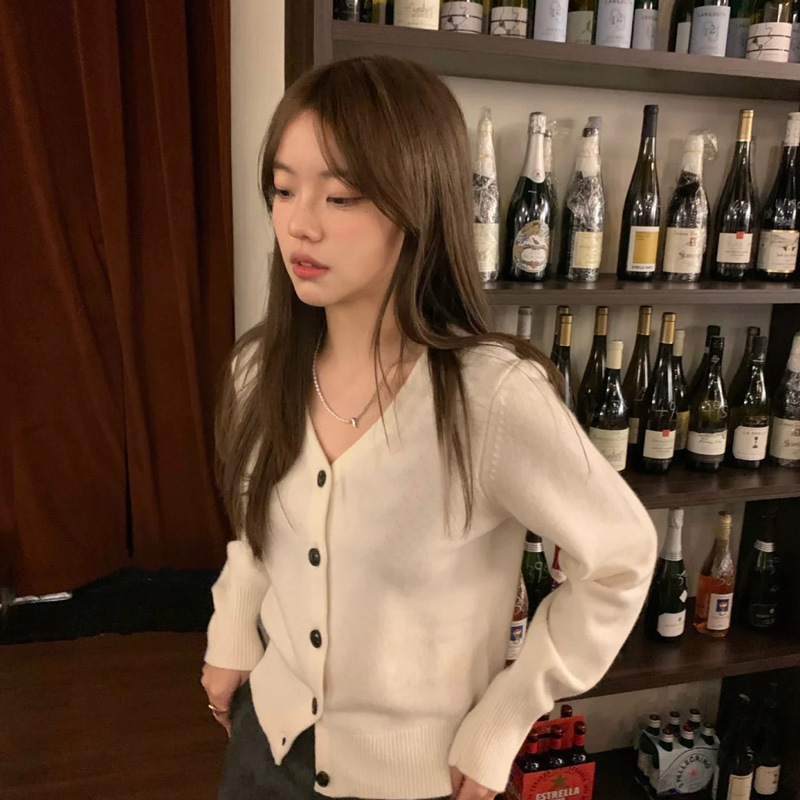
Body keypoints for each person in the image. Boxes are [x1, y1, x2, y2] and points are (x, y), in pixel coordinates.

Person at [201, 55, 656, 800]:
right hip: (263, 749)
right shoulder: (262, 368)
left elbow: (621, 561)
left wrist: (506, 714)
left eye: (341, 196)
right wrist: (231, 631)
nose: (299, 223)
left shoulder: (489, 398)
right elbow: (261, 528)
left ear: (418, 203)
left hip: (419, 778)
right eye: (283, 189)